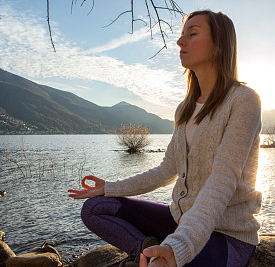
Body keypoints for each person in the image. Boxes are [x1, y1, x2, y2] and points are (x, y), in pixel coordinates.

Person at [68, 10, 262, 267]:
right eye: (182, 35)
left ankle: (159, 256)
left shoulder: (243, 100)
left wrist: (177, 248)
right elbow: (167, 170)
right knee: (95, 207)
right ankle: (145, 250)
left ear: (219, 45)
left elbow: (221, 181)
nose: (180, 42)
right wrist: (110, 187)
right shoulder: (186, 108)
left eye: (192, 34)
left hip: (226, 235)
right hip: (179, 220)